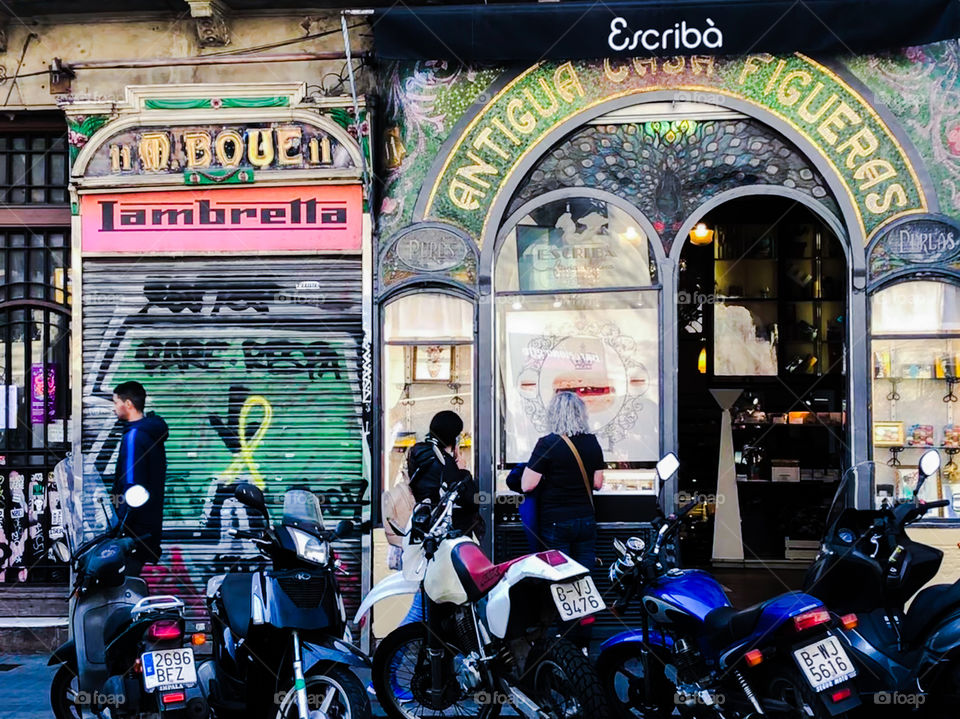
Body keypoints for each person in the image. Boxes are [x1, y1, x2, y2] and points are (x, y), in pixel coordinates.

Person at [521, 391, 604, 647]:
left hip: (556, 523)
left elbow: (526, 485)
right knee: (583, 580)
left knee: (559, 581)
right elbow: (598, 483)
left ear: (553, 414)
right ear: (581, 414)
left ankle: (565, 641)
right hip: (586, 521)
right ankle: (584, 641)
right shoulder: (591, 442)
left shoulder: (548, 443)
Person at [402, 410, 482, 625]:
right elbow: (471, 500)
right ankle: (392, 658)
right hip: (443, 545)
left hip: (427, 538)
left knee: (433, 606)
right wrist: (463, 472)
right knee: (423, 609)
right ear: (453, 437)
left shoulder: (419, 453)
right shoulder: (444, 463)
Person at [111, 380, 169, 575]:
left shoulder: (135, 436)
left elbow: (132, 485)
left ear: (128, 404)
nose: (114, 409)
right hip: (148, 528)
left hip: (133, 533)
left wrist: (119, 527)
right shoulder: (150, 433)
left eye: (116, 402)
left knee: (121, 589)